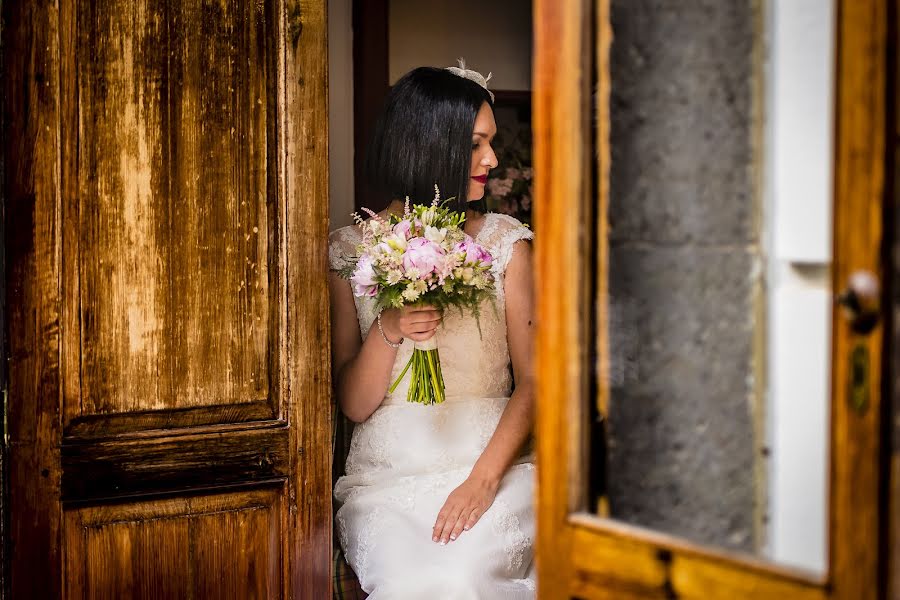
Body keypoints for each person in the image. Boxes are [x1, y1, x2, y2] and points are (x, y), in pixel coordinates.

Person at [329, 62, 536, 599]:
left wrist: (482, 482)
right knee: (412, 581)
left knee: (466, 575)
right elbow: (352, 404)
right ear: (428, 143)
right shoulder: (350, 251)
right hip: (389, 477)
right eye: (476, 143)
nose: (491, 159)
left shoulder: (504, 243)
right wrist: (390, 327)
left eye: (490, 143)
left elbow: (536, 381)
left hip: (493, 466)